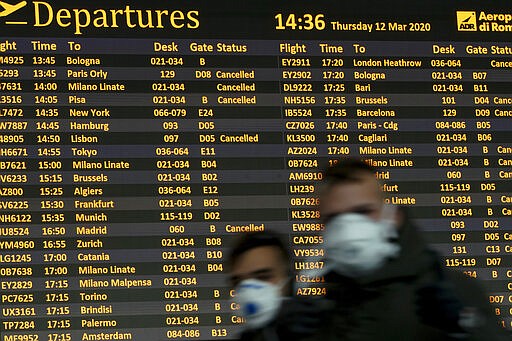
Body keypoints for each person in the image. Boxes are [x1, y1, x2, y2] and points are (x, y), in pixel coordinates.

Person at [301, 157, 508, 340]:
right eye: (334, 218)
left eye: (363, 211)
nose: (348, 228)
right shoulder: (323, 308)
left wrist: (464, 326)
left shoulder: (450, 289)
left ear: (393, 216)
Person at [228, 231, 325, 340]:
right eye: (238, 283)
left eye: (262, 277)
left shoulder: (330, 328)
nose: (248, 292)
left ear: (289, 279)